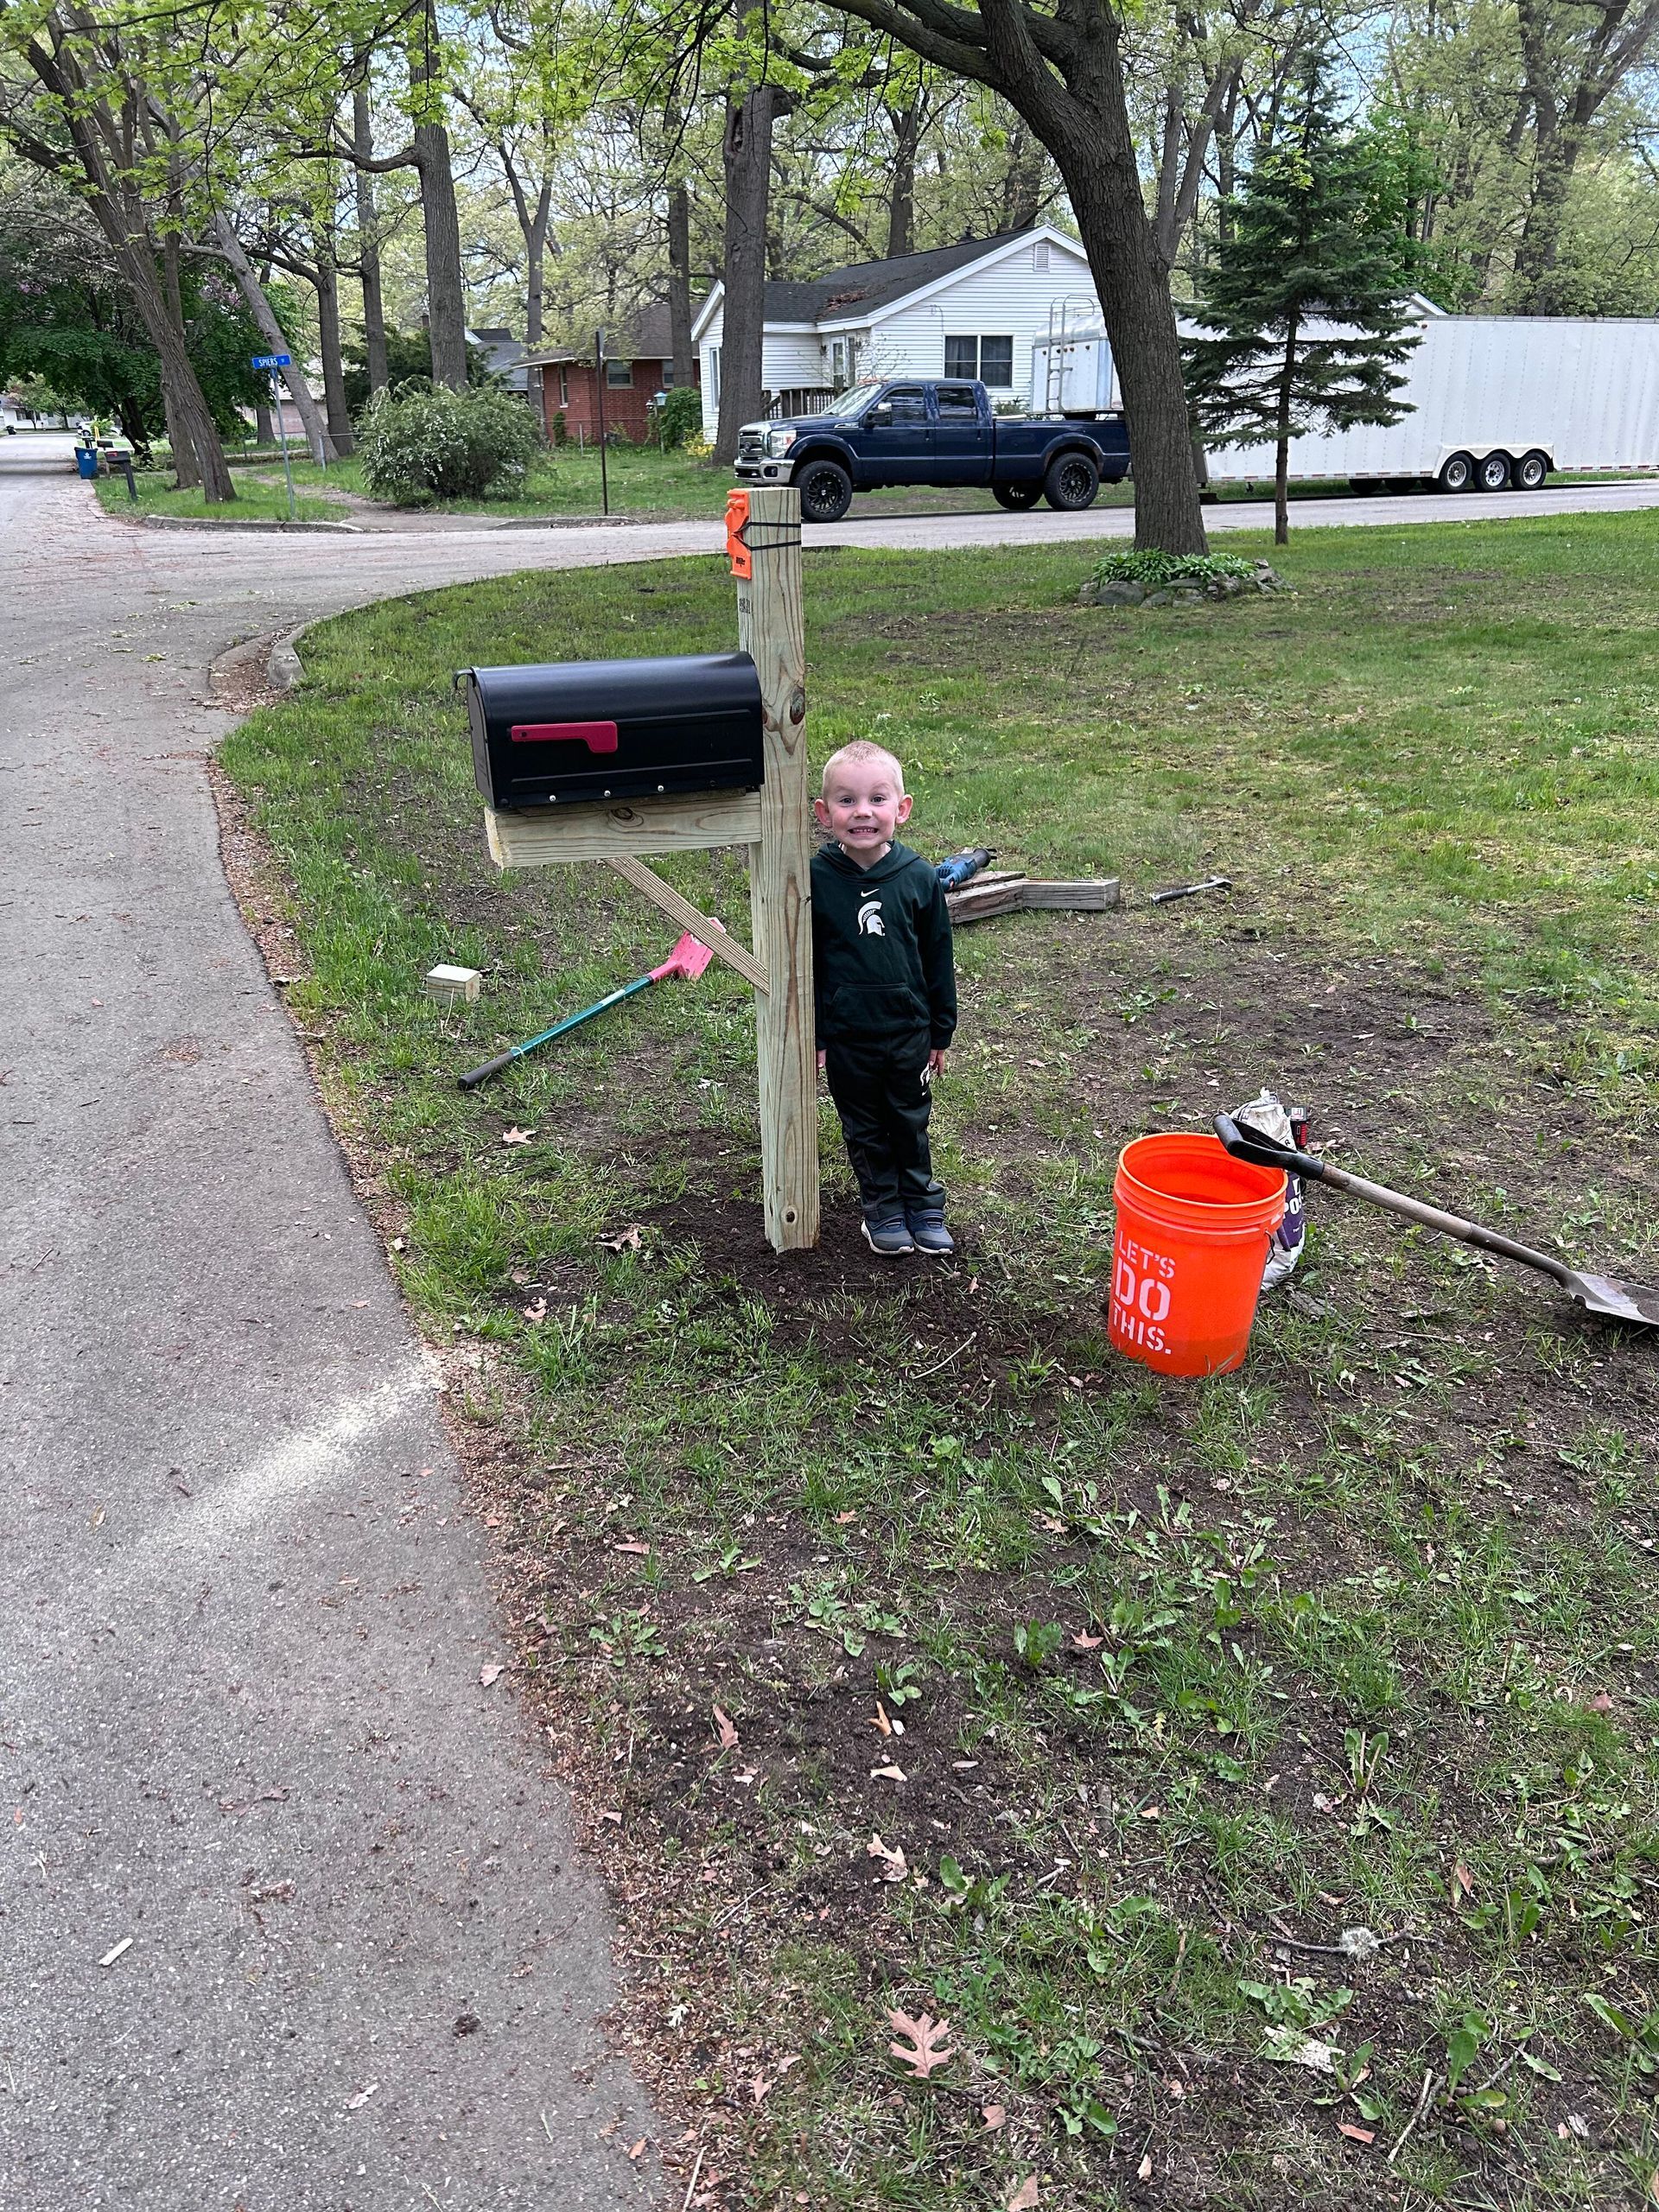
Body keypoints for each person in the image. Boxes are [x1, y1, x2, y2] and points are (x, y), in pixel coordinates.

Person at [811, 740, 957, 1256]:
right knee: (866, 1127)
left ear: (902, 808)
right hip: (849, 1037)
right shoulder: (815, 880)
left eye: (877, 798)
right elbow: (808, 964)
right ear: (824, 813)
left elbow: (937, 956)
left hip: (908, 1032)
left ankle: (922, 1203)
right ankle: (882, 1208)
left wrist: (940, 1030)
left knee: (910, 1121)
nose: (863, 812)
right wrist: (817, 1034)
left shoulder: (919, 878)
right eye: (847, 801)